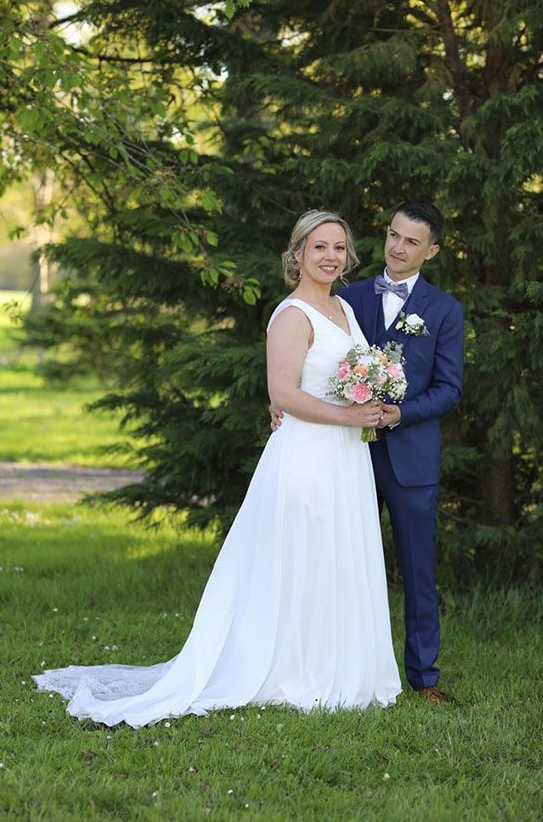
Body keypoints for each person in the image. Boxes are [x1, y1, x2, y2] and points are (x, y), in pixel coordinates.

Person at [33, 210, 401, 727]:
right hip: (307, 458)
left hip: (344, 456)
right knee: (302, 559)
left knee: (337, 555)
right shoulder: (292, 314)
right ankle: (295, 670)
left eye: (339, 247)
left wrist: (373, 400)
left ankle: (338, 665)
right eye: (319, 247)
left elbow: (343, 373)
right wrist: (349, 413)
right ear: (296, 255)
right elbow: (283, 393)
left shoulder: (342, 307)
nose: (330, 256)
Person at [274, 200, 463, 702]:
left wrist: (400, 413)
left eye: (412, 242)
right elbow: (303, 358)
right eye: (394, 235)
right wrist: (282, 406)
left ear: (432, 250)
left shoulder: (445, 310)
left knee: (418, 570)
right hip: (343, 455)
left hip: (410, 458)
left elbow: (450, 388)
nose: (399, 248)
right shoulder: (346, 296)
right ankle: (330, 665)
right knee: (338, 561)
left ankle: (425, 679)